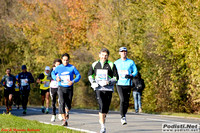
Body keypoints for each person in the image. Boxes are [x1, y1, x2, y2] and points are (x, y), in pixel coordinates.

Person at [88, 48, 118, 133]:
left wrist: (109, 81)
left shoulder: (111, 64)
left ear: (108, 56)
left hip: (108, 89)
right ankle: (103, 127)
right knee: (101, 106)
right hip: (98, 88)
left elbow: (116, 77)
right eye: (102, 55)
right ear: (99, 55)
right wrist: (93, 82)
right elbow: (90, 75)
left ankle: (102, 119)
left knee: (106, 108)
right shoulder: (94, 64)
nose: (104, 57)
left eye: (106, 55)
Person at [51, 53, 81, 126]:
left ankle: (67, 112)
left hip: (69, 88)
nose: (65, 62)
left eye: (67, 60)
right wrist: (56, 78)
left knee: (68, 104)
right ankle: (64, 120)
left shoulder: (72, 67)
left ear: (69, 60)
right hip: (61, 87)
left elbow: (78, 75)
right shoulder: (58, 67)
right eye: (64, 60)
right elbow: (52, 73)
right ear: (62, 60)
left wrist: (73, 81)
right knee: (61, 103)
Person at [114, 47, 138, 125]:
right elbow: (113, 72)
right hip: (119, 84)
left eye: (125, 51)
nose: (123, 53)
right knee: (122, 99)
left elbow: (135, 71)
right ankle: (122, 116)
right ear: (119, 53)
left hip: (128, 84)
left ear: (126, 53)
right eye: (122, 51)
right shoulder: (116, 62)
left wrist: (131, 75)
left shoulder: (131, 62)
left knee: (127, 102)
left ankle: (124, 114)